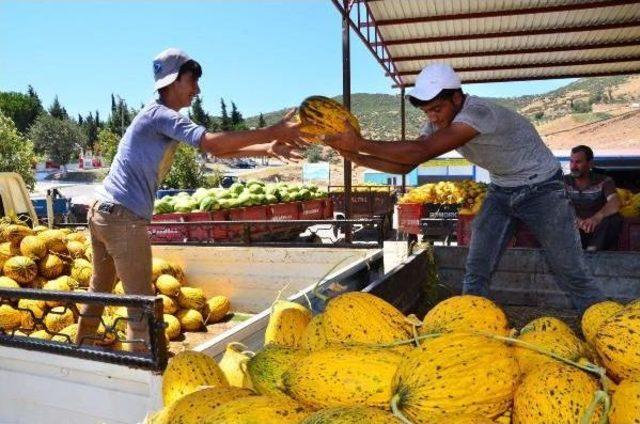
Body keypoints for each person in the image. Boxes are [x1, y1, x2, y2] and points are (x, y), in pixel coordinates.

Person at [325, 63, 603, 312]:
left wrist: (359, 144)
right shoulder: (439, 121)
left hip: (542, 189)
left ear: (457, 97)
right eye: (427, 111)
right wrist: (356, 157)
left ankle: (606, 328)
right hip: (502, 189)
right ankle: (469, 321)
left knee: (570, 268)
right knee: (477, 265)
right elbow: (405, 166)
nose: (432, 117)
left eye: (436, 109)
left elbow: (418, 151)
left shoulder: (478, 112)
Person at [77, 48, 305, 351]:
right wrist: (272, 130)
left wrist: (265, 149)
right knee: (141, 308)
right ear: (173, 81)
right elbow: (211, 142)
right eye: (192, 81)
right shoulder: (161, 115)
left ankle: (80, 347)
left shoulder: (158, 116)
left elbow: (213, 150)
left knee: (100, 288)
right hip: (123, 218)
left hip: (102, 211)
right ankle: (143, 372)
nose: (197, 90)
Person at [564, 145, 622, 251]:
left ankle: (592, 252)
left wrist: (596, 218)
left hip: (598, 231)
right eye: (571, 161)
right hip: (573, 231)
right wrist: (577, 221)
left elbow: (615, 203)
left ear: (590, 164)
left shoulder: (604, 181)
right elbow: (557, 207)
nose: (573, 166)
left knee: (614, 218)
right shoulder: (564, 182)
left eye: (578, 162)